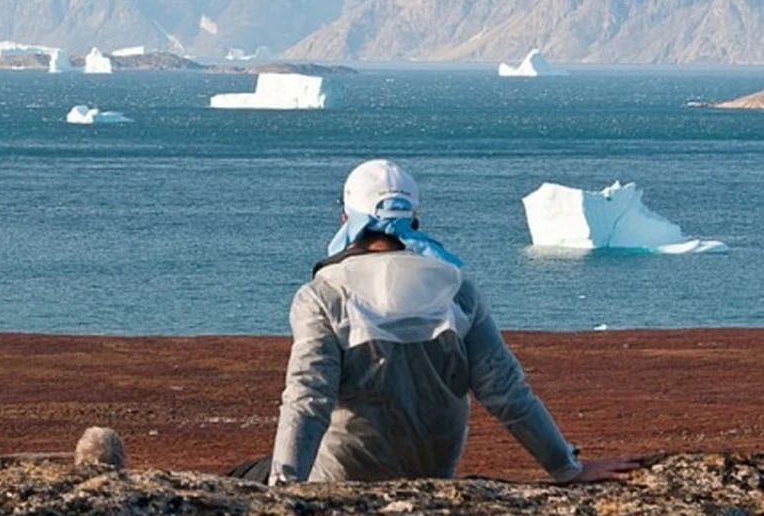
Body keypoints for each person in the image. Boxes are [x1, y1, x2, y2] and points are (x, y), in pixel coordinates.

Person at [258, 158, 636, 486]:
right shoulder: (457, 289)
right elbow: (506, 391)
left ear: (346, 219)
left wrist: (286, 490)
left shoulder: (323, 294)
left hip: (341, 479)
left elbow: (309, 397)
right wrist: (566, 467)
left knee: (248, 475)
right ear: (415, 219)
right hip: (431, 475)